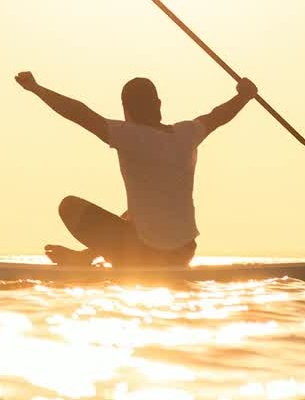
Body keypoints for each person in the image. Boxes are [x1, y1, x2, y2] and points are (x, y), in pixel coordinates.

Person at [15, 71, 258, 267]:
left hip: (144, 252)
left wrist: (37, 89)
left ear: (125, 108)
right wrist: (244, 96)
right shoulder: (187, 133)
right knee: (132, 212)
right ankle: (86, 256)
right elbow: (219, 116)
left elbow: (78, 113)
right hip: (184, 253)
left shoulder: (127, 135)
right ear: (159, 104)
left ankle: (98, 257)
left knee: (69, 206)